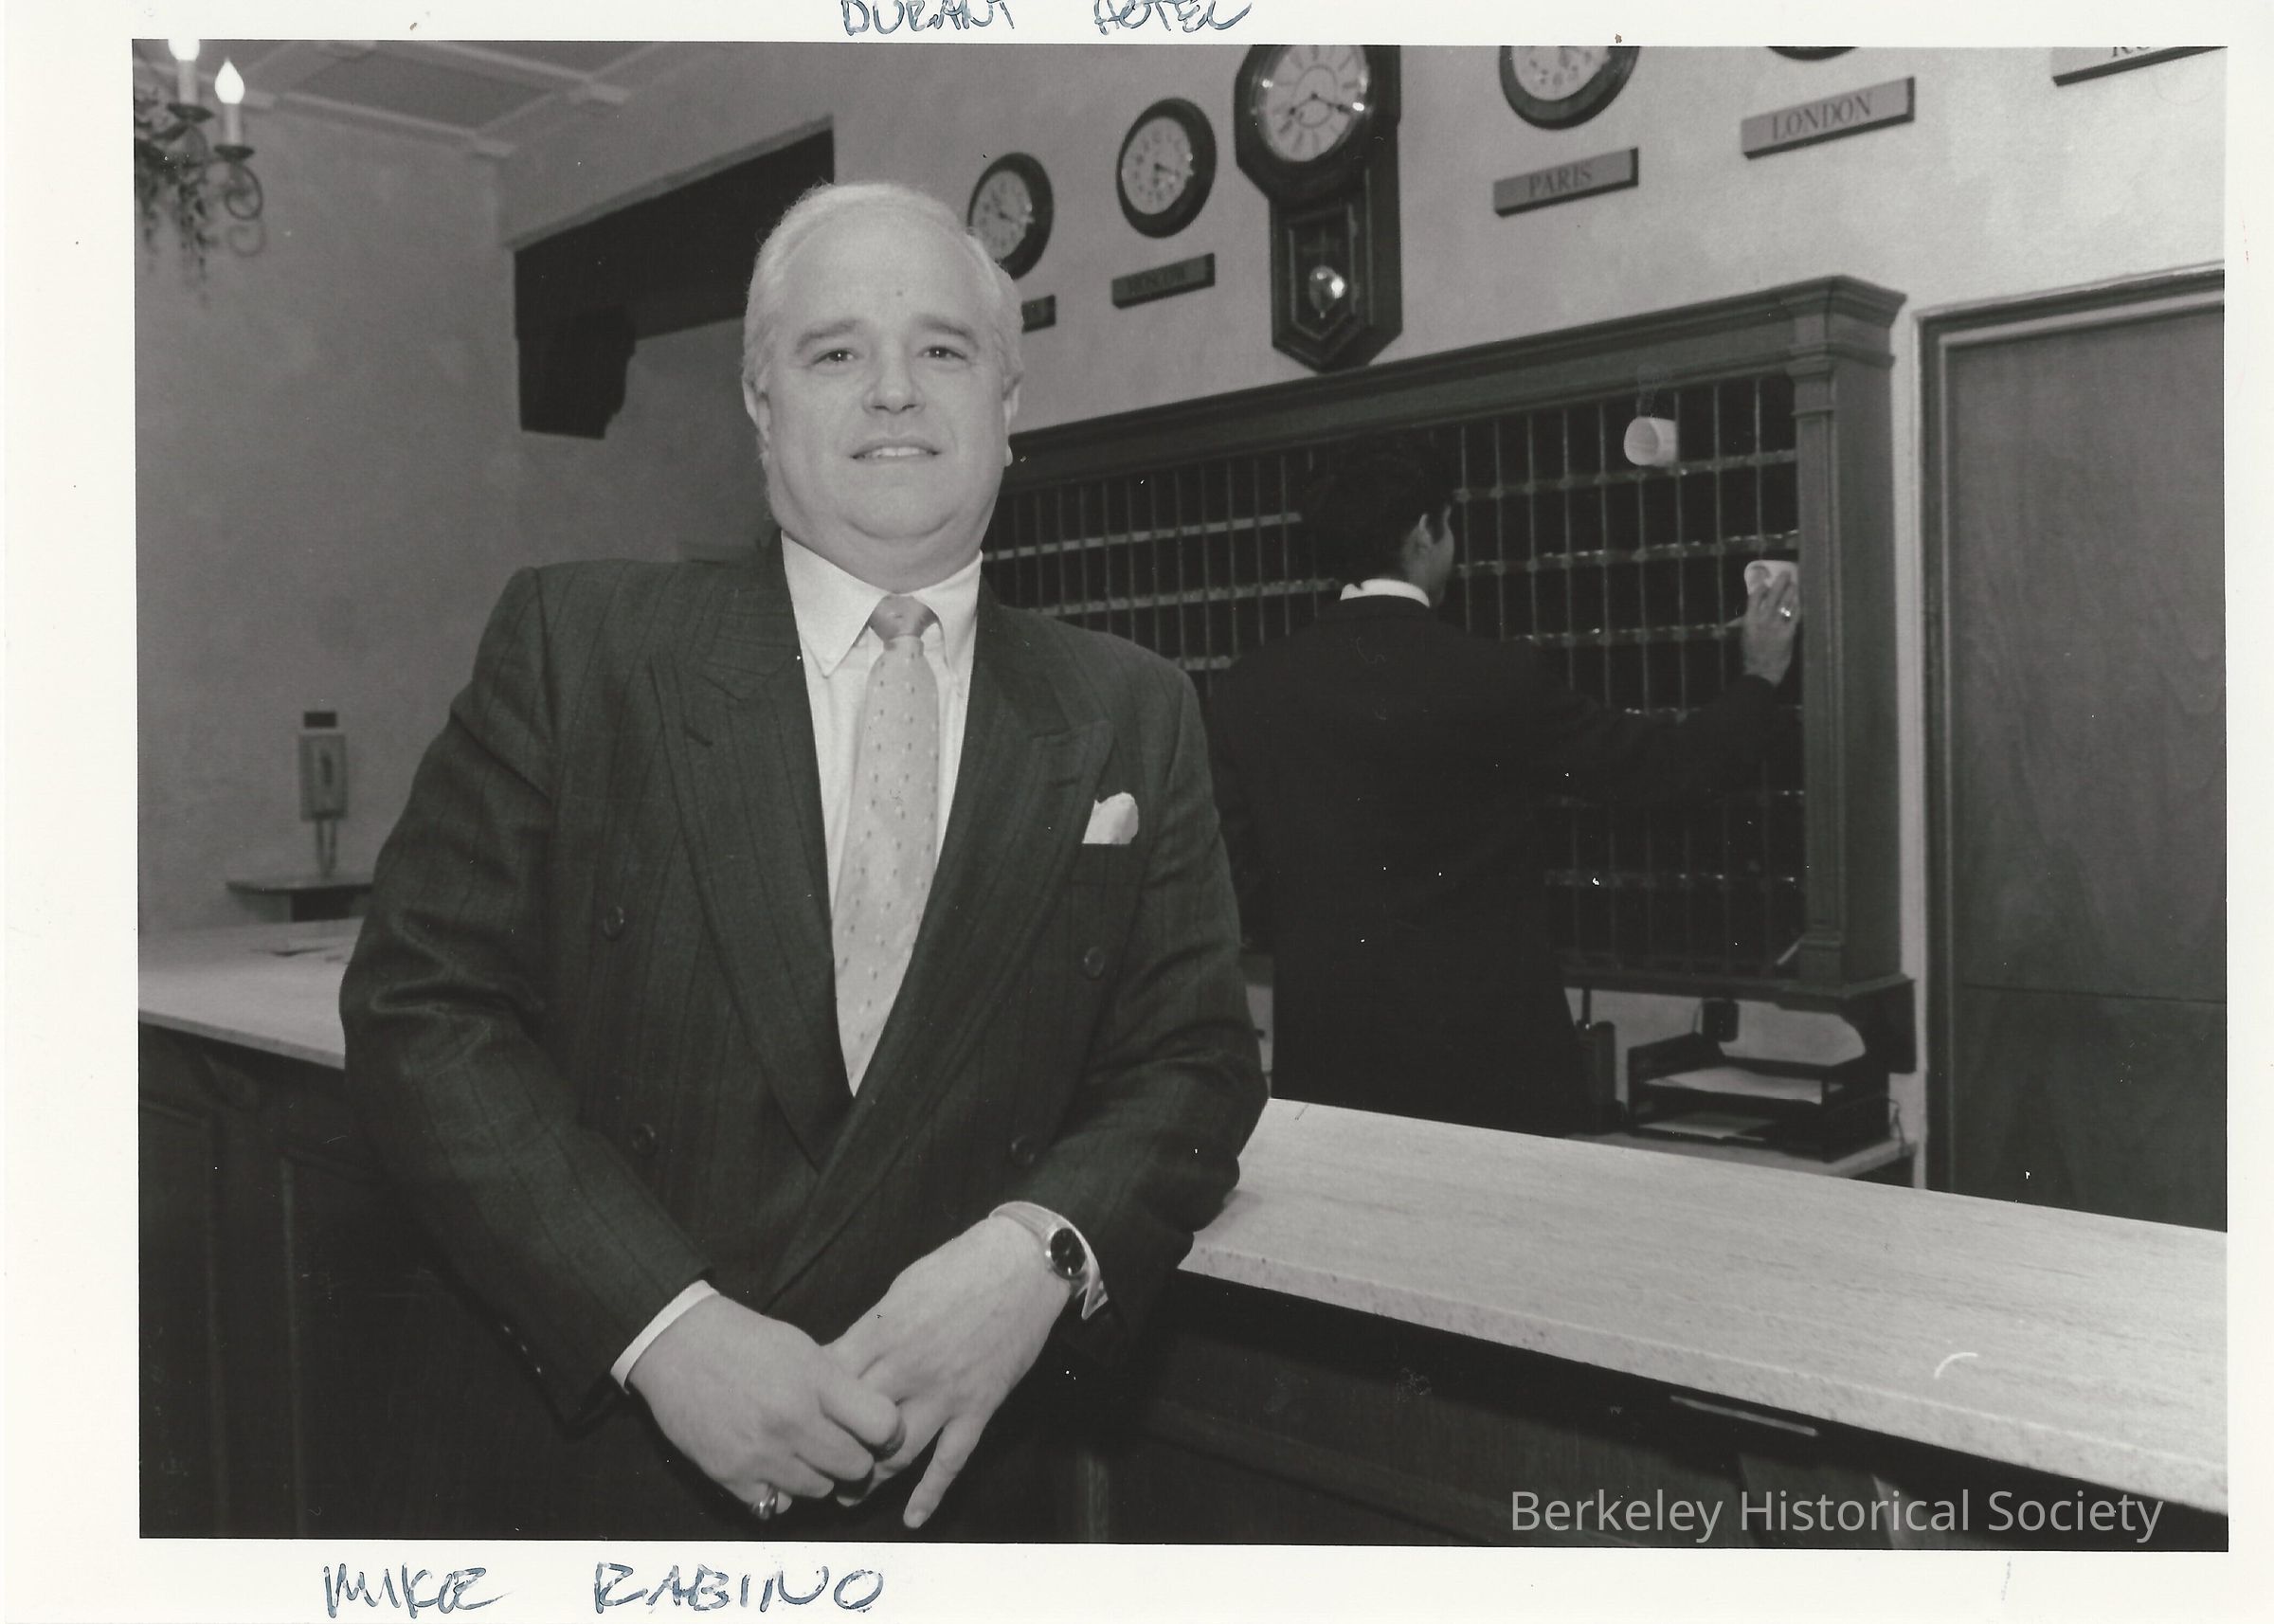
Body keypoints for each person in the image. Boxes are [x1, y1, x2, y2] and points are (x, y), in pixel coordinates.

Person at [338, 181, 1265, 1541]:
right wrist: (663, 1326)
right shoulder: (580, 646)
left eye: (943, 348)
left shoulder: (1134, 705)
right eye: (836, 352)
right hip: (607, 1475)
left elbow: (1193, 1061)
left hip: (951, 1495)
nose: (895, 388)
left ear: (1009, 402)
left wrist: (1040, 1252)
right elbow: (420, 1011)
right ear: (760, 404)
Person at [1207, 436, 1797, 1136]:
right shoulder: (1493, 678)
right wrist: (1760, 677)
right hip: (1489, 1072)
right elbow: (1663, 769)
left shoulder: (1250, 689)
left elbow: (1235, 880)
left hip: (1332, 1069)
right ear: (1425, 532)